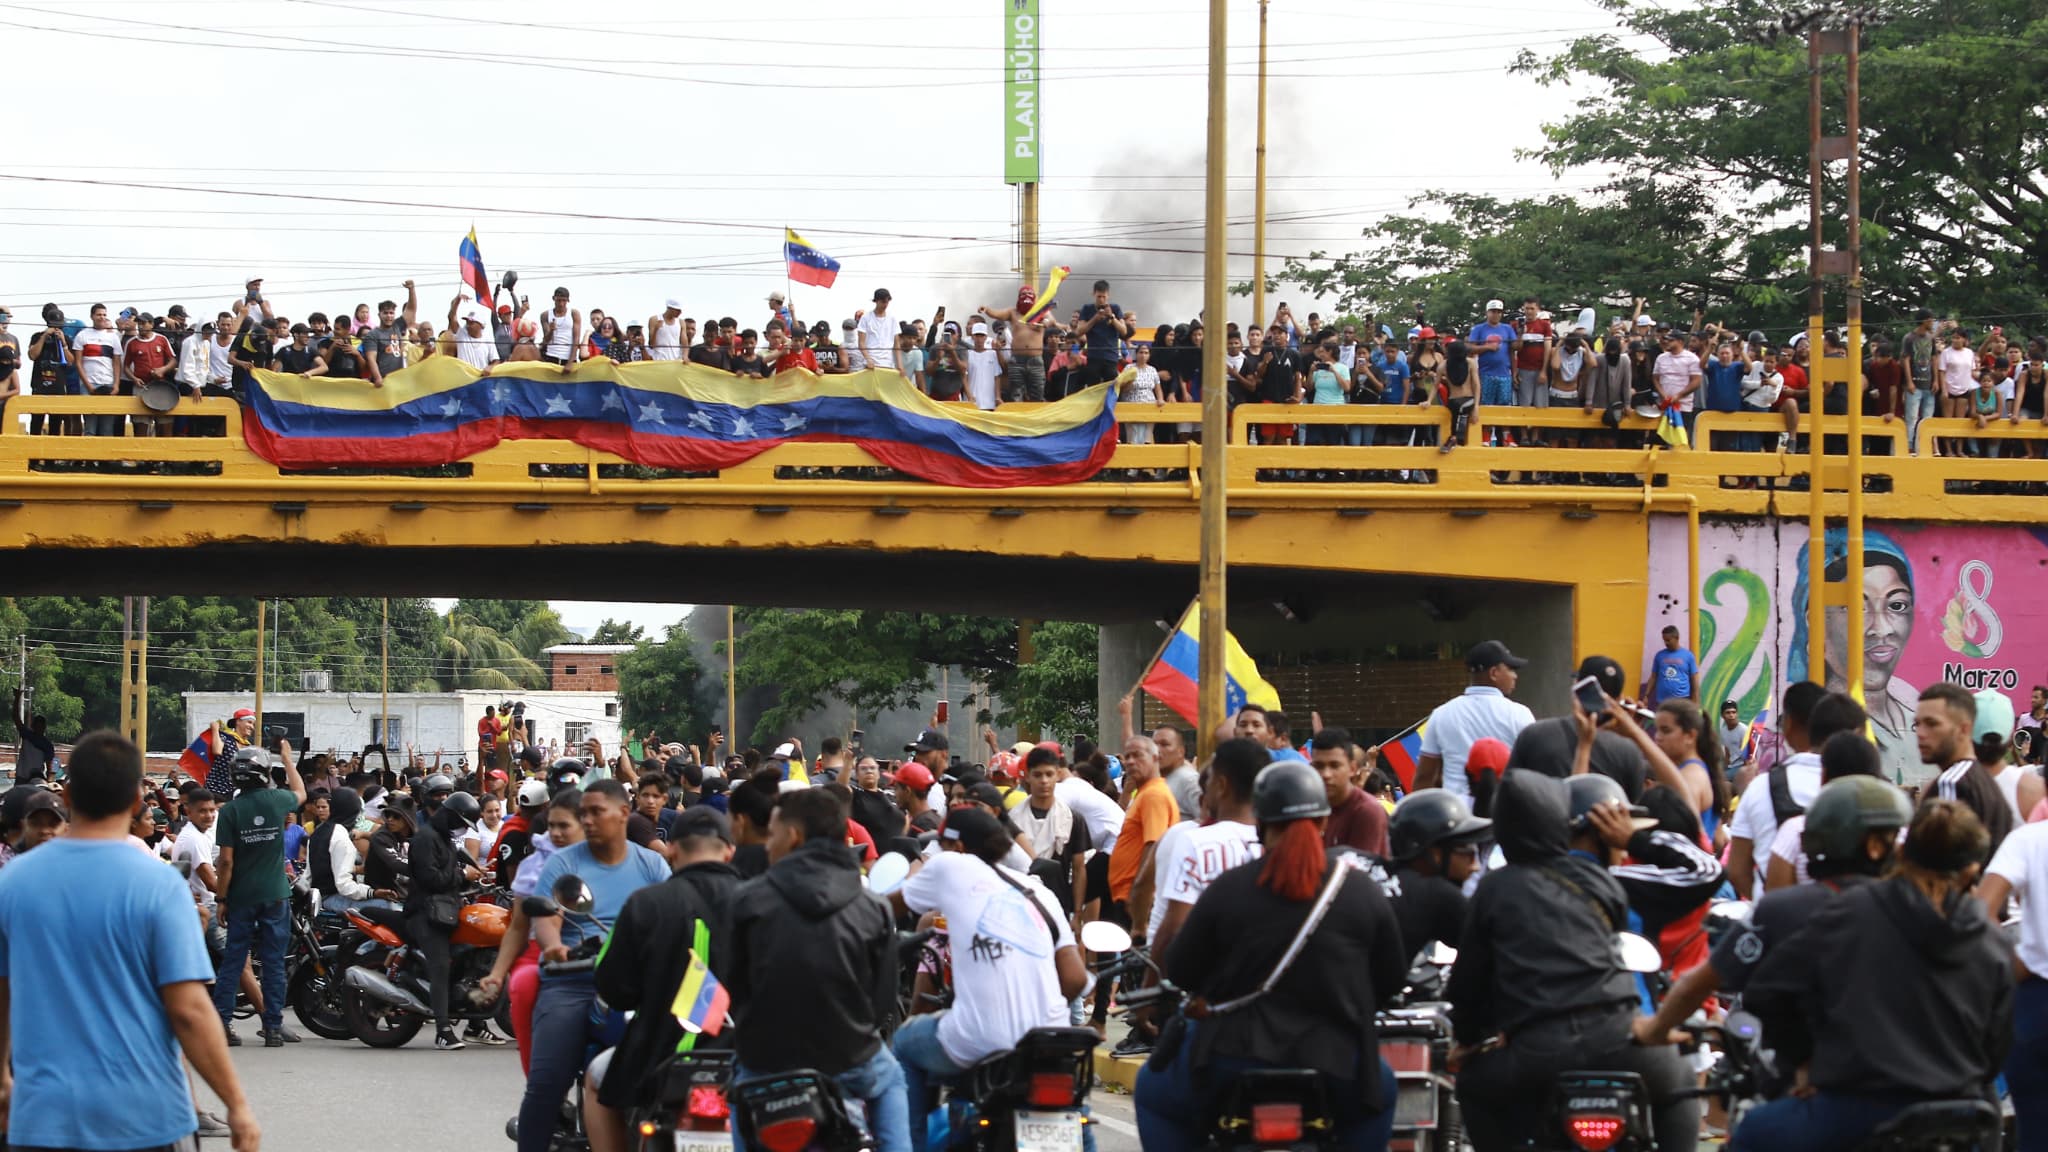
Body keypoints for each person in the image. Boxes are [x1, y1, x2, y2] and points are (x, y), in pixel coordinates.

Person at [0, 731, 260, 1152]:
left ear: (66, 795)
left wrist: (2, 1079)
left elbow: (4, 992)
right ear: (138, 801)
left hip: (43, 1115)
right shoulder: (160, 886)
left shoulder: (11, 883)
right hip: (143, 1116)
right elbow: (189, 1010)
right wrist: (236, 1105)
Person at [1135, 760, 1405, 1152]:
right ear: (1324, 821)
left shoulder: (1229, 888)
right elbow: (1391, 980)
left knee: (1153, 1094)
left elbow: (1180, 970)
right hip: (1337, 1062)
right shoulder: (1360, 890)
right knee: (1382, 1098)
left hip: (1229, 1056)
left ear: (1261, 821)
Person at [1731, 801, 2013, 1151]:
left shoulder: (1851, 912)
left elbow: (1766, 991)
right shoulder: (1992, 941)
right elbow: (1996, 1046)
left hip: (1854, 1109)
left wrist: (1805, 1061)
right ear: (1971, 871)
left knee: (1753, 1130)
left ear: (1901, 852)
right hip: (1960, 1117)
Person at [1448, 770, 1698, 1152]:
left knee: (1473, 1086)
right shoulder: (1603, 881)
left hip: (1537, 1052)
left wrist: (1469, 1040)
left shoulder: (1493, 888)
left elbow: (1468, 986)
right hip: (1619, 1037)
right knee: (1679, 1079)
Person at [887, 806, 1085, 1152]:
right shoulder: (1038, 891)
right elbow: (1075, 979)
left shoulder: (951, 865)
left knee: (904, 1043)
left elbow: (888, 908)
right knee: (1073, 1109)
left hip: (980, 1039)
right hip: (1049, 1041)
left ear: (958, 846)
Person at [730, 788, 909, 1152]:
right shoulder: (874, 907)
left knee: (738, 1088)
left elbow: (734, 988)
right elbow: (883, 1002)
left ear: (793, 836)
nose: (767, 845)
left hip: (766, 1063)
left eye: (773, 834)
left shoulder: (747, 900)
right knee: (893, 1079)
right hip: (852, 1059)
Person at [516, 780, 670, 1152]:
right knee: (546, 1082)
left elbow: (672, 914)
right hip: (574, 981)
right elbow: (548, 919)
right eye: (583, 813)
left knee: (681, 1072)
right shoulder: (563, 863)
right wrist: (554, 948)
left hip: (638, 986)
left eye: (595, 812)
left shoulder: (652, 864)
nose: (587, 820)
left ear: (623, 813)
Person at [589, 807, 741, 1151]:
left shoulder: (645, 903)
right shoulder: (765, 902)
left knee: (596, 1079)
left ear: (671, 848)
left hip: (659, 1059)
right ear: (729, 850)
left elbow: (614, 987)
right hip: (746, 1060)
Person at [211, 746, 307, 1047]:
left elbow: (226, 861)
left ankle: (224, 1024)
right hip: (275, 895)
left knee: (235, 961)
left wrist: (222, 899)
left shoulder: (229, 811)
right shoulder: (278, 800)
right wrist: (288, 760)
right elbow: (300, 791)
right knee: (274, 962)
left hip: (241, 897)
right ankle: (273, 1028)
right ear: (265, 773)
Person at [1726, 681, 1829, 897]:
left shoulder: (1760, 787)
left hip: (1773, 920)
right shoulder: (1848, 783)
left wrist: (1767, 904)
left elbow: (1736, 871)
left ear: (1788, 724)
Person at [1415, 641, 1536, 799]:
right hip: (1505, 814)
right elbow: (1534, 771)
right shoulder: (1519, 714)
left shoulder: (1441, 714)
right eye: (1511, 669)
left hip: (1457, 817)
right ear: (1493, 673)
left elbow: (1424, 777)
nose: (1515, 676)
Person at [410, 788, 483, 1050]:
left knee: (470, 955)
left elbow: (450, 872)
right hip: (425, 914)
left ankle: (477, 1024)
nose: (463, 829)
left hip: (446, 911)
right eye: (462, 824)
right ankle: (443, 1029)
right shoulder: (426, 839)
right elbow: (430, 879)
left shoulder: (445, 839)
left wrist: (475, 876)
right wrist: (463, 876)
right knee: (441, 966)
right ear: (451, 817)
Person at [1385, 788, 1491, 962]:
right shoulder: (1437, 894)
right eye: (1467, 852)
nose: (1476, 866)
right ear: (1434, 853)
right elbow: (1489, 952)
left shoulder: (1382, 875)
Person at [1915, 682, 2015, 861]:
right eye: (1917, 724)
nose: (1921, 733)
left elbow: (1941, 866)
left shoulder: (1951, 783)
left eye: (1932, 724)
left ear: (1964, 729)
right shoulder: (1985, 782)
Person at [1007, 747, 1092, 917]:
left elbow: (1078, 869)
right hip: (1020, 904)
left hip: (1058, 906)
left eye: (1049, 774)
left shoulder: (1072, 819)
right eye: (1038, 775)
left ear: (1058, 775)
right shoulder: (1012, 819)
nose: (1044, 781)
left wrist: (1077, 913)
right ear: (1028, 776)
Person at [311, 786, 397, 913]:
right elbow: (344, 885)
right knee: (389, 907)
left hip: (317, 895)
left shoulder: (319, 831)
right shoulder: (341, 837)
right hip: (331, 898)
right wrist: (372, 893)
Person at [1311, 728, 1388, 856]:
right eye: (1319, 766)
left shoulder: (1367, 810)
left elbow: (1359, 872)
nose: (1326, 774)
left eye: (1335, 766)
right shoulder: (1309, 808)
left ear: (1352, 768)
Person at [1643, 625, 1700, 706]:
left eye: (1668, 640)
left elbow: (1694, 679)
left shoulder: (1688, 656)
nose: (1666, 643)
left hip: (1682, 700)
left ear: (1677, 638)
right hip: (1662, 701)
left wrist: (1696, 701)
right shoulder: (1659, 655)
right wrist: (1646, 695)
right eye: (1664, 640)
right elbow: (1653, 677)